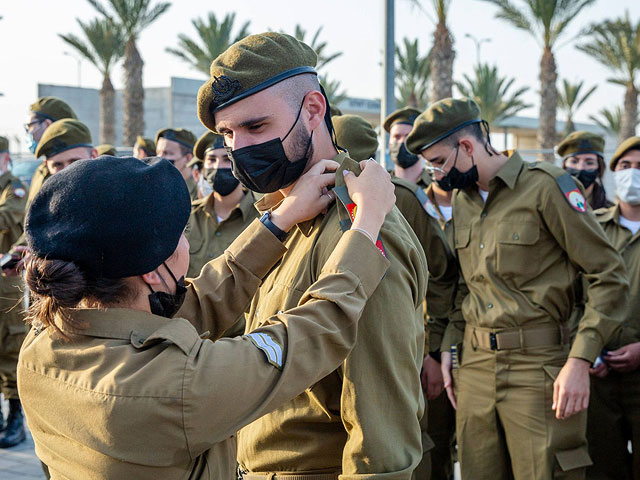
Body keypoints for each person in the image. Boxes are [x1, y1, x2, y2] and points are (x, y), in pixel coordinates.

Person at [18, 154, 395, 479]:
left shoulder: (42, 345)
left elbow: (194, 305)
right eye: (181, 233)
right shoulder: (178, 387)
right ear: (151, 270)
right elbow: (314, 330)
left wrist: (279, 219)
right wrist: (367, 225)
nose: (186, 242)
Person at [197, 32, 428, 478]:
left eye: (256, 127)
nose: (239, 149)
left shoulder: (360, 227)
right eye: (227, 133)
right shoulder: (282, 218)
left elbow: (379, 438)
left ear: (313, 109)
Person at [405, 97, 629, 480]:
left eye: (440, 162)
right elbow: (463, 285)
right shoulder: (463, 200)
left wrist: (579, 360)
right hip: (474, 369)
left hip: (540, 368)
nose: (436, 175)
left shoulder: (546, 188)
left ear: (468, 147)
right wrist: (450, 347)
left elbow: (608, 275)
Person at [385, 106, 459, 480]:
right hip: (402, 348)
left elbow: (445, 279)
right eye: (396, 138)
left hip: (442, 344)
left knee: (439, 446)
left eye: (408, 138)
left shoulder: (448, 199)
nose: (401, 145)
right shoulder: (387, 195)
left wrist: (435, 350)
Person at [586, 136, 640, 480]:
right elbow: (574, 292)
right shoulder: (591, 225)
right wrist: (587, 352)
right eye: (625, 166)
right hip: (597, 375)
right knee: (602, 465)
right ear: (613, 173)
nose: (633, 174)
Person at [186, 131, 259, 337]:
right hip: (187, 336)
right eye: (211, 159)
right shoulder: (186, 216)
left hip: (238, 342)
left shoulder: (262, 218)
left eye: (227, 159)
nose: (218, 167)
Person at [0, 136, 28, 448]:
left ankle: (16, 418)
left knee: (10, 348)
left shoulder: (14, 186)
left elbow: (7, 216)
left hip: (5, 282)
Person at [24, 97, 77, 205]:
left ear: (48, 125)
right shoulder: (42, 169)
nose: (29, 132)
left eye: (30, 126)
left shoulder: (76, 169)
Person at [558, 131, 612, 210]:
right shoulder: (551, 205)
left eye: (589, 163)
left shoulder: (609, 211)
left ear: (599, 168)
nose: (580, 168)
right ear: (564, 165)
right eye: (574, 161)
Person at [156, 128, 199, 201]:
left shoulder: (198, 195)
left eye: (167, 153)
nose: (159, 157)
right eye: (158, 152)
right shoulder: (157, 190)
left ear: (188, 158)